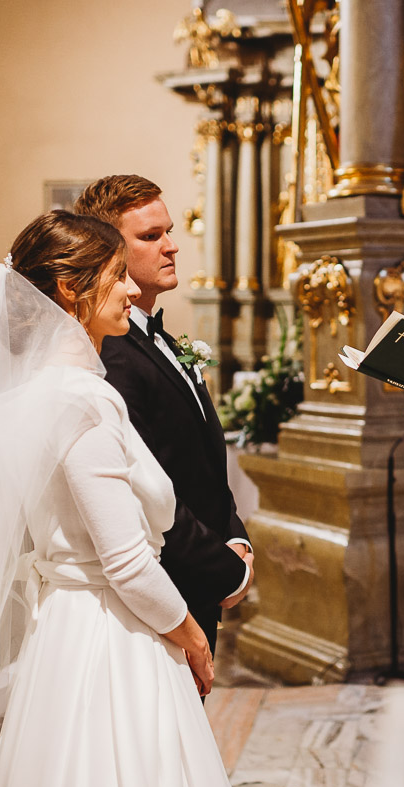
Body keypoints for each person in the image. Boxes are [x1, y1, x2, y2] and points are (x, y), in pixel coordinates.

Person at [0, 211, 236, 787]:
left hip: (63, 630)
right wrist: (194, 638)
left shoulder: (23, 395)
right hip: (114, 640)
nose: (131, 290)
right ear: (71, 291)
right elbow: (126, 563)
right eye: (116, 276)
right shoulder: (84, 399)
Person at [75, 176, 253, 656]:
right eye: (151, 237)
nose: (172, 247)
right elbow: (145, 495)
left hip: (198, 577)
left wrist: (236, 536)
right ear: (108, 251)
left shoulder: (160, 338)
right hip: (162, 599)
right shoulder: (110, 355)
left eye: (168, 232)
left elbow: (201, 465)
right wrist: (224, 572)